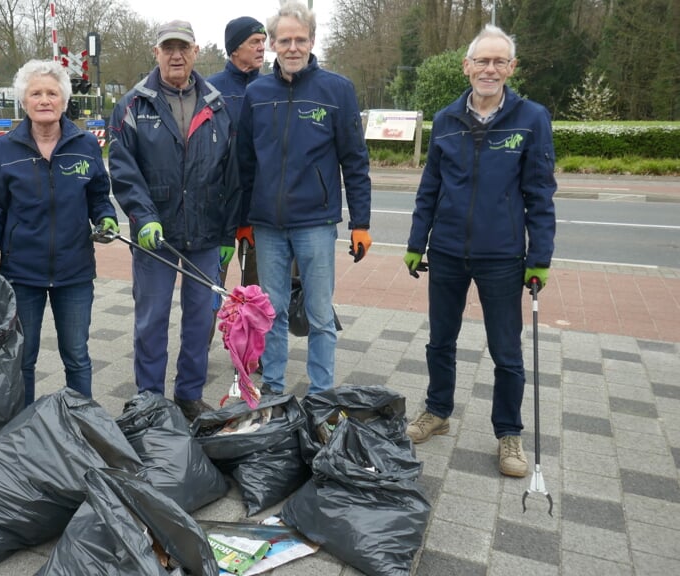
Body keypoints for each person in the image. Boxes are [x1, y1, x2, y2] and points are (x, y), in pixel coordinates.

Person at [403, 24, 557, 478]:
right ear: (467, 66)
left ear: (511, 68)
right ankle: (437, 411)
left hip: (503, 256)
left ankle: (508, 433)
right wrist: (416, 243)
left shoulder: (531, 119)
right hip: (447, 250)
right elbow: (429, 188)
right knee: (440, 341)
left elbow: (540, 196)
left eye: (499, 62)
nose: (490, 69)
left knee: (507, 352)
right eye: (482, 61)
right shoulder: (447, 119)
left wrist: (540, 257)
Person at [0, 60, 117, 406]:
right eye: (36, 93)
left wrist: (107, 220)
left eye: (52, 93)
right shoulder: (3, 149)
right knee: (22, 358)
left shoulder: (86, 145)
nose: (44, 99)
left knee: (76, 355)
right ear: (24, 101)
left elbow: (100, 200)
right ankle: (24, 430)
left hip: (74, 272)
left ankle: (80, 424)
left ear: (63, 99)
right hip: (22, 275)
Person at [236, 1, 372, 398]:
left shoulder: (337, 90)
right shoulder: (257, 94)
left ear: (312, 41)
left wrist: (360, 223)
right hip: (267, 224)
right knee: (272, 313)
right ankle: (275, 392)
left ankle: (321, 395)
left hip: (316, 223)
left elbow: (355, 161)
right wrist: (241, 219)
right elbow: (244, 162)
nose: (292, 47)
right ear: (273, 45)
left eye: (300, 39)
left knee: (319, 314)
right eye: (284, 40)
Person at [108, 19, 240, 421]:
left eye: (183, 47)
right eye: (168, 48)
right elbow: (123, 168)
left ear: (196, 52)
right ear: (157, 53)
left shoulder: (216, 103)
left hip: (206, 233)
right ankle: (149, 398)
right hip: (155, 236)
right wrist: (143, 217)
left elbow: (230, 172)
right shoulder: (133, 104)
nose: (176, 55)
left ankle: (188, 393)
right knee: (151, 319)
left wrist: (227, 231)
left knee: (201, 320)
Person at [207, 15, 266, 296]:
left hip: (257, 215)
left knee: (255, 298)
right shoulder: (208, 90)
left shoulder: (272, 90)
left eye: (264, 42)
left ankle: (251, 342)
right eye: (254, 41)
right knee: (207, 294)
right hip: (215, 214)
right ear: (234, 49)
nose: (262, 47)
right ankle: (200, 342)